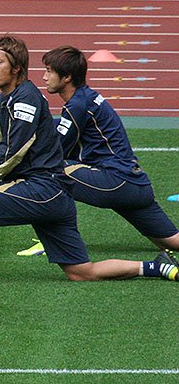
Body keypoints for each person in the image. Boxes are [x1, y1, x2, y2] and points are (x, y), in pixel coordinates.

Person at [0, 36, 178, 286]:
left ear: (16, 68)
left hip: (48, 191)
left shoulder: (26, 100)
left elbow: (15, 149)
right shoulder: (8, 99)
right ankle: (155, 267)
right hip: (60, 194)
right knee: (81, 272)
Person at [16, 46, 179, 257]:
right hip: (134, 184)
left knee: (49, 172)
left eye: (49, 71)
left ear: (67, 77)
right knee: (173, 242)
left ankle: (52, 239)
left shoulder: (78, 105)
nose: (44, 77)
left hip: (116, 180)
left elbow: (55, 152)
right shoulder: (85, 98)